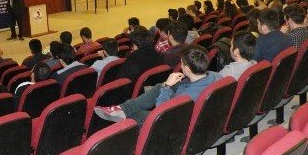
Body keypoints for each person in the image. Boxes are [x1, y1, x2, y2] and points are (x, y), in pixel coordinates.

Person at [94, 35, 256, 126]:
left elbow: (161, 113)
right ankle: (122, 109)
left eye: (183, 64)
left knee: (137, 113)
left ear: (187, 68)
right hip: (192, 106)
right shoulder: (216, 76)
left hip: (177, 122)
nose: (181, 66)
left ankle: (124, 113)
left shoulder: (185, 96)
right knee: (158, 87)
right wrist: (167, 86)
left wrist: (167, 87)